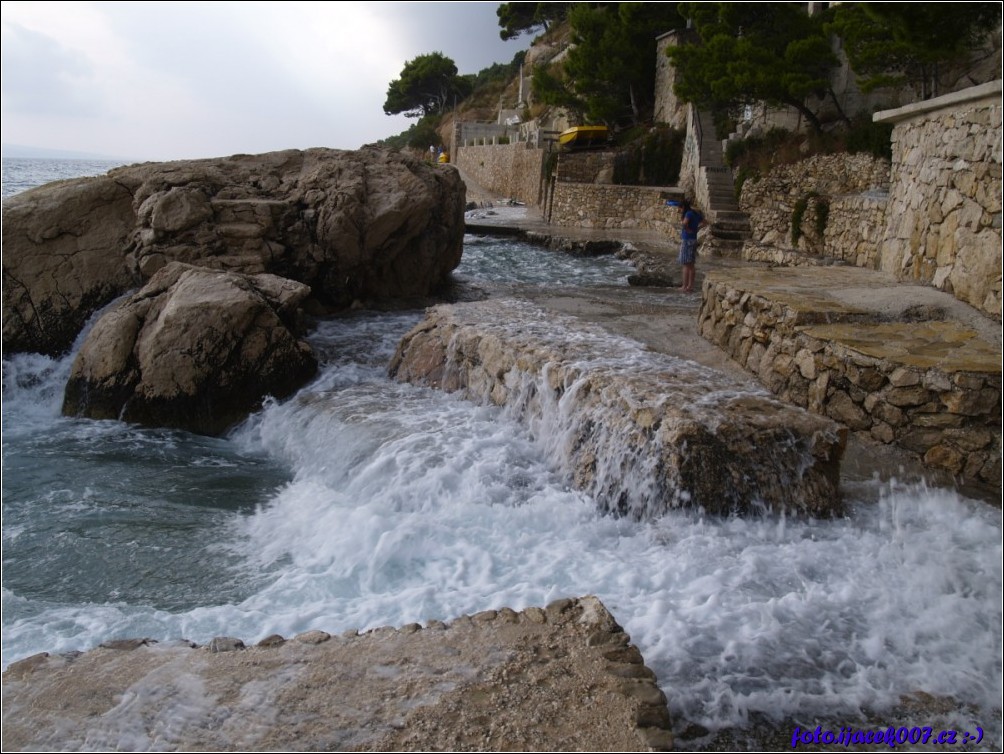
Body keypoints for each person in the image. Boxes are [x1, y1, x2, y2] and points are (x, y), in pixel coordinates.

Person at [675, 197, 706, 293]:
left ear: (683, 207)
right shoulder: (695, 213)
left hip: (687, 241)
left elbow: (684, 224)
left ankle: (684, 286)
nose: (679, 210)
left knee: (685, 265)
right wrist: (696, 228)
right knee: (691, 265)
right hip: (693, 240)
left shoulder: (688, 214)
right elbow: (705, 222)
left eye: (680, 208)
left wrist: (687, 229)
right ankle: (690, 286)